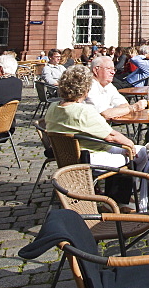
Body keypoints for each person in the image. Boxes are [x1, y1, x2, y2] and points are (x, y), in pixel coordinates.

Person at [46, 65, 142, 204]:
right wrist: (130, 144)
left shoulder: (53, 107)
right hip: (88, 158)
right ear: (86, 88)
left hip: (65, 157)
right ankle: (120, 201)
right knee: (133, 154)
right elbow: (112, 136)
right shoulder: (83, 111)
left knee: (126, 151)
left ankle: (118, 198)